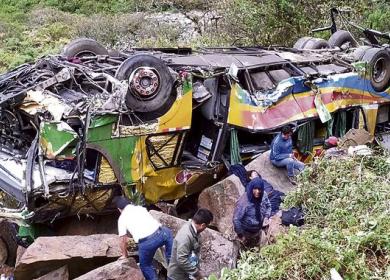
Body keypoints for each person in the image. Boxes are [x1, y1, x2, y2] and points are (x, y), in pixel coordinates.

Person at [113, 196, 173, 280]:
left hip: (146, 243)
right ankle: (173, 270)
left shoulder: (122, 219)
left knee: (145, 265)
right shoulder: (140, 208)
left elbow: (123, 240)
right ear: (129, 203)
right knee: (168, 235)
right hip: (162, 233)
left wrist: (125, 255)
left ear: (119, 209)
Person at [168, 208, 214, 280]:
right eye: (206, 226)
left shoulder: (192, 228)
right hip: (177, 276)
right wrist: (196, 273)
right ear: (203, 225)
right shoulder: (185, 236)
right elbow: (182, 260)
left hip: (186, 274)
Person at [233, 177, 271, 247]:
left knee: (256, 246)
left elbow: (268, 206)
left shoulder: (263, 195)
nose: (257, 192)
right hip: (246, 231)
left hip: (258, 229)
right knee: (245, 249)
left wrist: (266, 217)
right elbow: (236, 219)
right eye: (255, 189)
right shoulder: (244, 202)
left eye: (259, 189)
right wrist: (241, 235)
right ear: (251, 188)